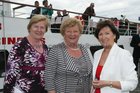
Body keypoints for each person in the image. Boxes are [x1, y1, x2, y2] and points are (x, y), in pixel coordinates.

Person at [45, 18, 93, 93]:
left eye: (75, 31)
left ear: (80, 33)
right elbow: (49, 77)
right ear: (63, 33)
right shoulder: (55, 50)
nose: (72, 34)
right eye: (68, 31)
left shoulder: (83, 48)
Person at [4, 15, 49, 93]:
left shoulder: (45, 47)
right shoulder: (20, 46)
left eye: (42, 27)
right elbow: (10, 73)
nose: (39, 30)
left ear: (45, 30)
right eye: (36, 26)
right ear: (30, 28)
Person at [92, 20, 138, 93]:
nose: (103, 37)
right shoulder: (97, 54)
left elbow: (132, 83)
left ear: (114, 35)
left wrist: (108, 83)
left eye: (107, 33)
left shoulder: (124, 54)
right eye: (100, 34)